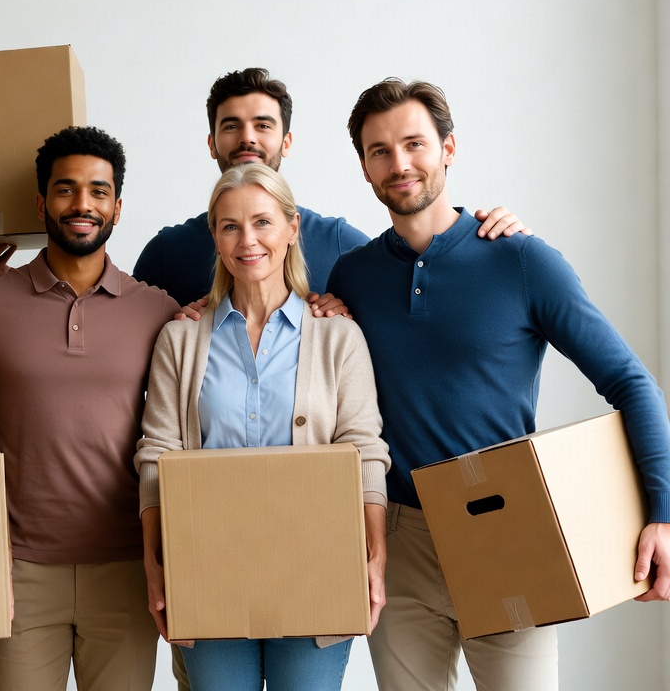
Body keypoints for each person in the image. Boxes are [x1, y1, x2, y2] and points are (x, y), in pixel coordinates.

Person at [327, 78, 670, 691]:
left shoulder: (521, 259)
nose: (399, 163)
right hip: (400, 542)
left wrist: (663, 512)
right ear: (364, 166)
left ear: (449, 147)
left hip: (507, 530)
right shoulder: (352, 277)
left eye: (414, 143)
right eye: (380, 150)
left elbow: (630, 382)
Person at [134, 162, 389, 691]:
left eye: (263, 222)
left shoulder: (338, 337)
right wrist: (155, 563)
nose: (247, 240)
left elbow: (365, 452)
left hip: (318, 568)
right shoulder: (180, 341)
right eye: (230, 226)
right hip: (207, 570)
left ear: (292, 228)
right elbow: (156, 456)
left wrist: (374, 555)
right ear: (215, 237)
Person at [0, 126, 181, 691]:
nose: (83, 204)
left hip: (127, 566)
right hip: (18, 569)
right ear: (42, 203)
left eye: (98, 191)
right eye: (66, 189)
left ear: (117, 207)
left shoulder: (156, 310)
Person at [132, 68, 529, 307]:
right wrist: (180, 328)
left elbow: (415, 273)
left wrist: (484, 237)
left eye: (263, 125)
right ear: (212, 143)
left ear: (287, 142)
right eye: (231, 126)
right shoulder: (166, 254)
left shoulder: (341, 244)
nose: (247, 138)